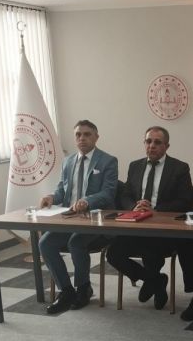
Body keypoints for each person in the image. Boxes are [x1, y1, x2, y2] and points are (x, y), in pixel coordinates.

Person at [106, 126, 193, 319]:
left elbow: (185, 200)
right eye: (148, 141)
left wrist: (156, 210)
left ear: (166, 146)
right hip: (138, 226)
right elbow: (125, 195)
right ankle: (155, 280)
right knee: (113, 253)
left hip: (165, 229)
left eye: (157, 142)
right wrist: (134, 206)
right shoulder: (135, 166)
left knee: (174, 247)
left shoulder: (179, 168)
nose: (152, 146)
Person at [38, 120, 118, 314]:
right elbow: (62, 190)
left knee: (76, 242)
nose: (82, 138)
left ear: (96, 137)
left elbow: (108, 193)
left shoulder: (108, 161)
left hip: (96, 220)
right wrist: (51, 197)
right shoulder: (68, 161)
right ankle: (66, 291)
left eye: (87, 134)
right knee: (45, 243)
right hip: (70, 218)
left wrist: (87, 201)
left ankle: (84, 288)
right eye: (78, 135)